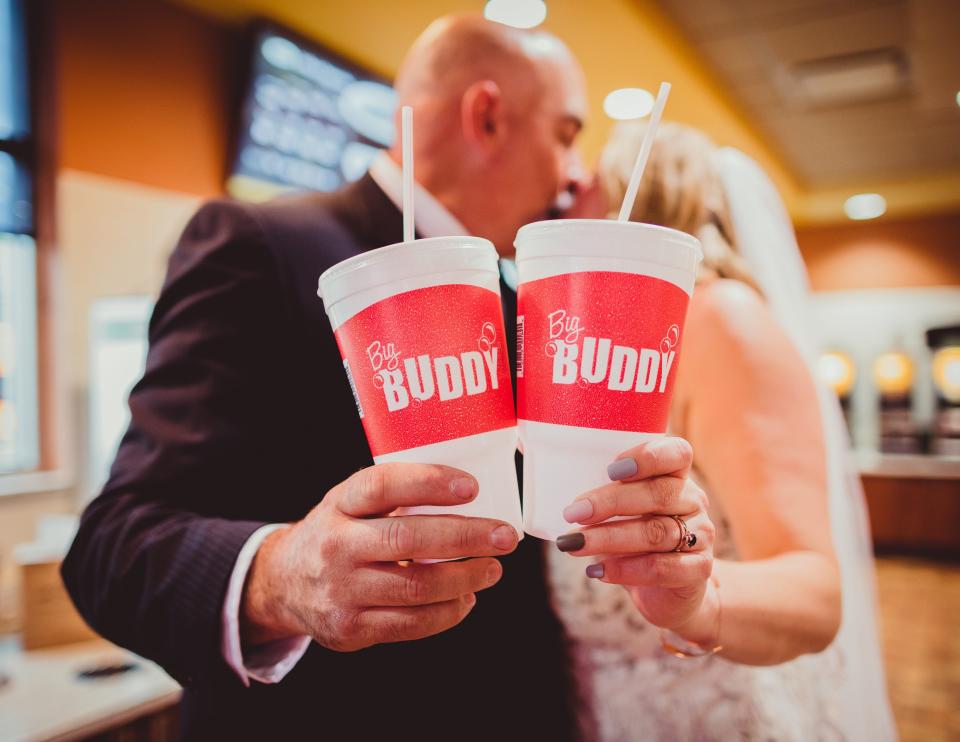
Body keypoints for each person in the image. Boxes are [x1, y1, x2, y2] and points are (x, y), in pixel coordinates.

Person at [61, 15, 715, 740]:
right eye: (565, 133)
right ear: (487, 118)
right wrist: (284, 576)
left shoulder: (525, 299)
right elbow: (110, 549)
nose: (577, 174)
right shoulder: (260, 246)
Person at [547, 122, 896, 740]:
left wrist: (697, 598)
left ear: (637, 196)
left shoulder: (718, 321)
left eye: (593, 183)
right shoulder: (594, 349)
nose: (573, 191)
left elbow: (815, 592)